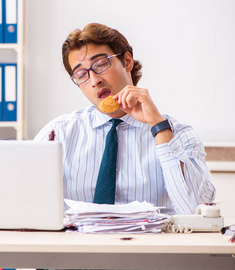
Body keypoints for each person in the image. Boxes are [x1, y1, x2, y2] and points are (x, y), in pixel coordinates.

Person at [34, 23, 215, 214]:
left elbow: (195, 211)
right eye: (81, 74)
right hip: (78, 242)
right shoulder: (57, 135)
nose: (95, 80)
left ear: (127, 61)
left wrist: (158, 126)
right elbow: (27, 207)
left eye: (101, 64)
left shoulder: (178, 134)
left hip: (148, 242)